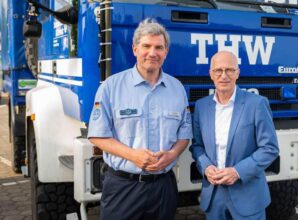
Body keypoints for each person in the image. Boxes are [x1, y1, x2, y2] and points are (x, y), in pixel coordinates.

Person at [88, 18, 192, 220]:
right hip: (123, 187)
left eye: (158, 47)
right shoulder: (111, 87)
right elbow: (97, 136)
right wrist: (133, 155)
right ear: (135, 49)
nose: (152, 53)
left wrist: (172, 154)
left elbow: (184, 134)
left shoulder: (177, 89)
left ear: (166, 52)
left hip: (164, 187)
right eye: (146, 46)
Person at [190, 51, 279, 220]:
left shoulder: (257, 104)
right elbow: (197, 146)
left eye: (229, 70)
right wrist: (206, 167)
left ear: (237, 73)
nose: (224, 76)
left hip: (248, 196)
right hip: (213, 197)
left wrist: (237, 171)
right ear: (211, 74)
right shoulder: (201, 107)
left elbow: (270, 148)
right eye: (218, 70)